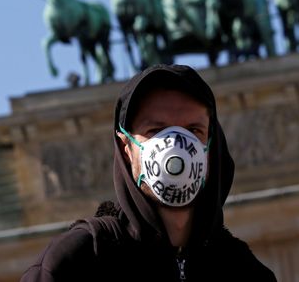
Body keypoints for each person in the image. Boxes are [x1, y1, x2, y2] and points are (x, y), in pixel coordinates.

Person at [20, 64, 276, 281]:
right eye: (156, 130)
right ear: (126, 147)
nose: (176, 146)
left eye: (193, 130)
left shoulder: (245, 273)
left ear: (211, 147)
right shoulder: (78, 261)